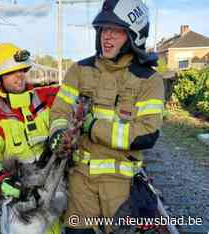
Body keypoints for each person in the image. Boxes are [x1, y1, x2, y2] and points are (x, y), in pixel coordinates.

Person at [48, 0, 164, 233]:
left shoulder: (149, 80)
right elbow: (60, 110)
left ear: (134, 36)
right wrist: (58, 133)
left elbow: (146, 134)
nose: (107, 37)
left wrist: (92, 127)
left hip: (120, 185)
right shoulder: (79, 70)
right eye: (104, 29)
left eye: (117, 30)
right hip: (80, 179)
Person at [0, 43, 60, 234]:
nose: (20, 76)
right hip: (20, 192)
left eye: (22, 70)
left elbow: (72, 97)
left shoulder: (45, 98)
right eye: (12, 72)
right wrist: (0, 179)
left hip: (54, 185)